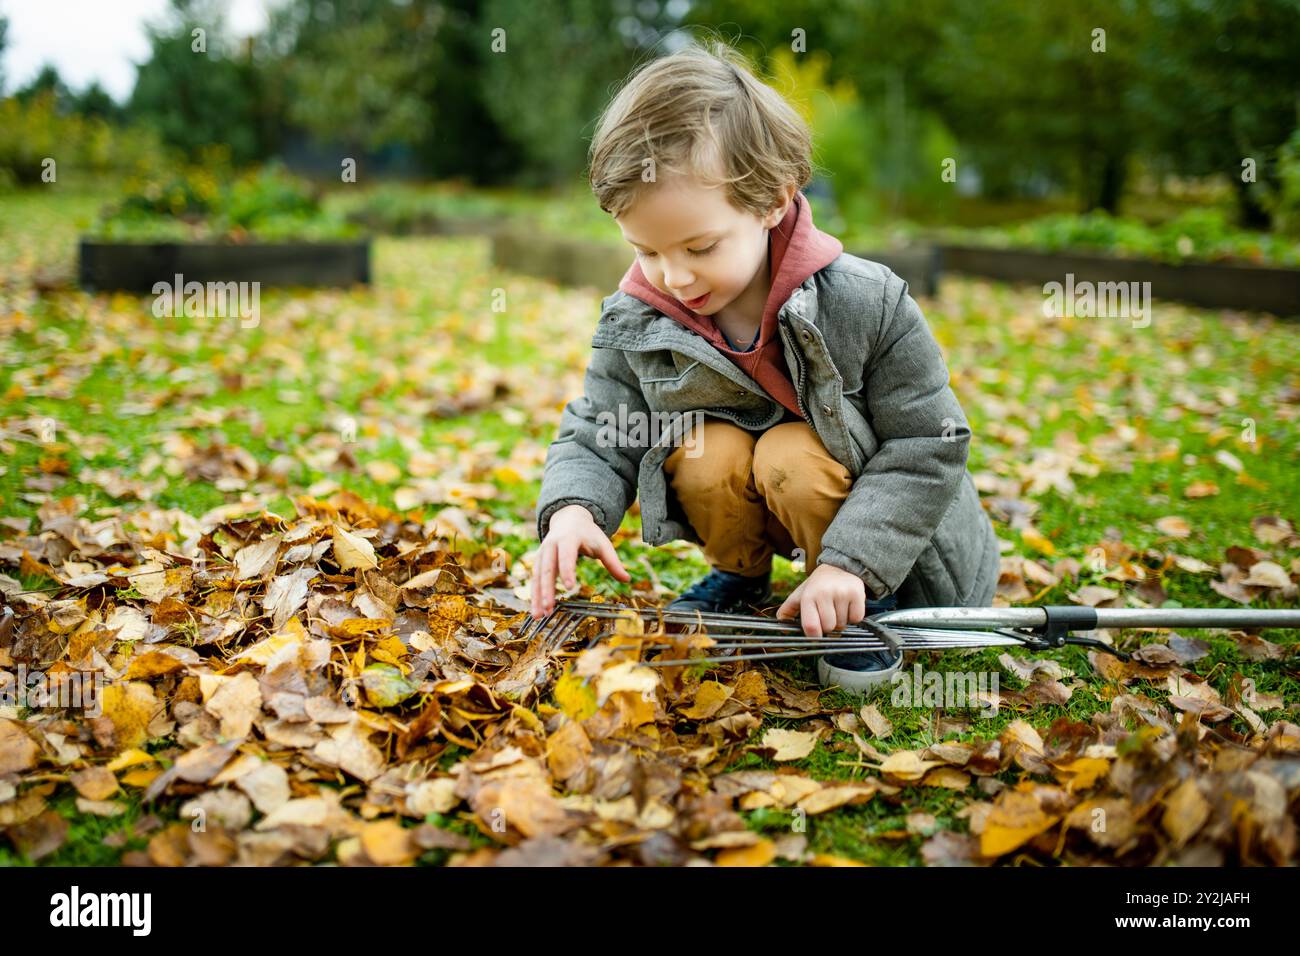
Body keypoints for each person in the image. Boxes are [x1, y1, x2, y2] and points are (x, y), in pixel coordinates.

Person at [530, 39, 999, 690]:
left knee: (791, 454)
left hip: (884, 540)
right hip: (755, 499)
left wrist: (851, 564)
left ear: (773, 201)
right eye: (647, 250)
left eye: (700, 246)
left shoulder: (867, 302)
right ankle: (742, 575)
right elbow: (601, 424)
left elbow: (930, 440)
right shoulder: (643, 313)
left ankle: (858, 602)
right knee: (705, 450)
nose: (675, 275)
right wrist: (574, 509)